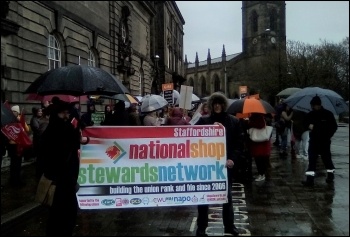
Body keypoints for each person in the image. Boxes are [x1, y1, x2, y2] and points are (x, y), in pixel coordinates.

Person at [194, 92, 242, 236]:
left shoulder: (233, 121)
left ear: (223, 105)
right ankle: (201, 227)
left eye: (219, 103)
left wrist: (232, 159)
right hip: (207, 166)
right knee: (204, 197)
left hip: (224, 166)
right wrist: (209, 129)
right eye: (214, 104)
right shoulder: (204, 121)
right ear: (211, 105)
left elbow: (238, 145)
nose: (217, 106)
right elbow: (191, 135)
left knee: (226, 197)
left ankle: (229, 226)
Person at [41, 100, 81, 236]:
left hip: (62, 180)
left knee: (60, 216)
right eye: (64, 113)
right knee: (63, 215)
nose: (67, 115)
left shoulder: (58, 129)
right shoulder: (60, 130)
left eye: (67, 113)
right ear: (57, 114)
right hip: (62, 180)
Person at [302, 95, 338, 186]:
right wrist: (308, 126)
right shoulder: (310, 114)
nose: (313, 107)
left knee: (327, 159)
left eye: (313, 105)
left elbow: (334, 127)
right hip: (314, 141)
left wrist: (328, 135)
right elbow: (305, 123)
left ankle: (330, 175)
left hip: (324, 142)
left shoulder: (328, 114)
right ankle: (310, 180)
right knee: (312, 160)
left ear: (317, 105)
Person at [7, 105, 30, 186]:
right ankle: (13, 180)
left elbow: (27, 130)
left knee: (18, 163)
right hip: (12, 146)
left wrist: (21, 122)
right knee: (14, 163)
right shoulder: (9, 120)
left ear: (18, 112)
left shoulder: (20, 119)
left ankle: (17, 179)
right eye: (12, 111)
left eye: (15, 111)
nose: (13, 113)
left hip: (19, 145)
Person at [247, 113, 272, 182]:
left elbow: (260, 125)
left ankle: (262, 174)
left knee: (259, 160)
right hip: (263, 143)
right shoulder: (265, 116)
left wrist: (249, 123)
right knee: (263, 160)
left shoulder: (256, 116)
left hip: (259, 144)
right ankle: (264, 174)